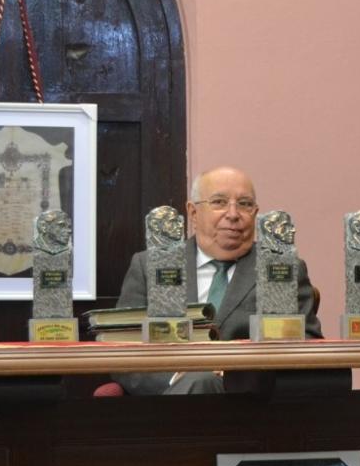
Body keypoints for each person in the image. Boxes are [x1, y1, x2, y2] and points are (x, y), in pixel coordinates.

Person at [114, 166, 321, 394]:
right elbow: (121, 349)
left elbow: (307, 343)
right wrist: (176, 377)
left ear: (255, 213)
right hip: (170, 398)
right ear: (193, 213)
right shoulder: (149, 266)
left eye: (244, 204)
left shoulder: (282, 268)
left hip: (251, 404)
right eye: (219, 202)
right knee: (198, 382)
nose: (233, 214)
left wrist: (236, 372)